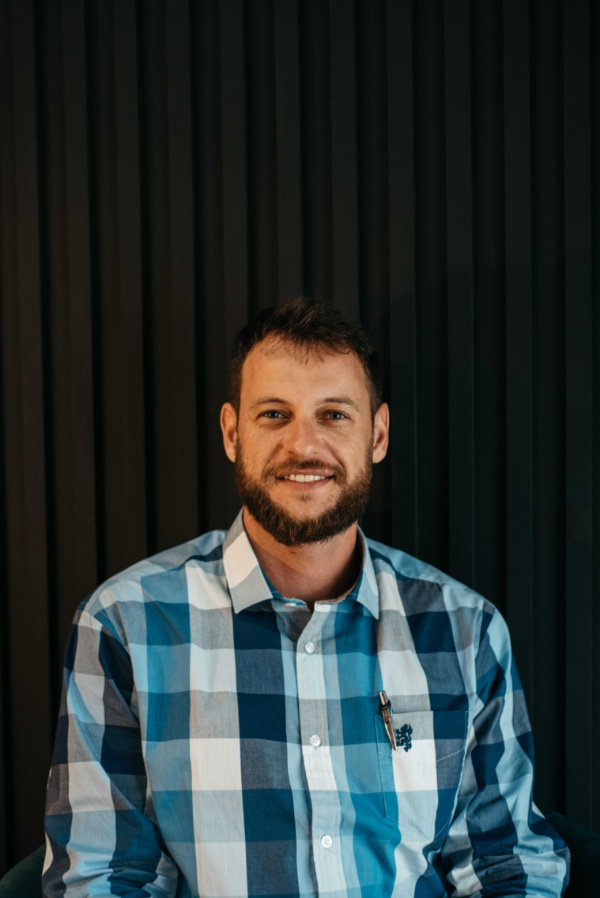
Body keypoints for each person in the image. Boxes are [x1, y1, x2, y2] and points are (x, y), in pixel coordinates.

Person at [43, 298, 569, 897]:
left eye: (334, 414)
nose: (304, 445)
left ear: (378, 435)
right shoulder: (126, 624)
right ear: (232, 433)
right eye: (274, 414)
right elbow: (103, 876)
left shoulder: (465, 629)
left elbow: (507, 865)